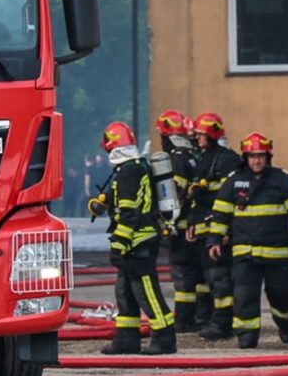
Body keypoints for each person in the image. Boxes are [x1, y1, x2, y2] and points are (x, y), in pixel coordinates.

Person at [207, 132, 288, 348]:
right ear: (245, 157)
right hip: (246, 253)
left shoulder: (283, 179)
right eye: (252, 156)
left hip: (277, 253)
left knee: (282, 295)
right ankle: (247, 336)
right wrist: (214, 239)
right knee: (244, 296)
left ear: (268, 156)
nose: (257, 160)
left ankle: (284, 323)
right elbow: (220, 213)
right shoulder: (234, 181)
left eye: (261, 155)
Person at [89, 121, 177, 355]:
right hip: (134, 242)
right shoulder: (130, 168)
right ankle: (127, 338)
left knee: (146, 291)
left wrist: (119, 243)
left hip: (139, 242)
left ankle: (165, 338)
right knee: (125, 291)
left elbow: (129, 212)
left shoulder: (130, 171)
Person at [190, 111, 243, 341]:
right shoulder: (205, 158)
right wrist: (192, 223)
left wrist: (225, 231)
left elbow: (229, 198)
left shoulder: (227, 159)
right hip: (204, 230)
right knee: (209, 278)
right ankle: (212, 318)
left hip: (219, 230)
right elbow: (197, 198)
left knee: (221, 279)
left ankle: (224, 323)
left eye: (200, 135)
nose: (197, 139)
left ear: (211, 135)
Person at [155, 110, 206, 332]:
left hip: (182, 227)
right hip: (198, 228)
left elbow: (173, 194)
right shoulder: (194, 155)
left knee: (184, 275)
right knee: (200, 275)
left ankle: (185, 320)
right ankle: (203, 316)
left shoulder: (176, 158)